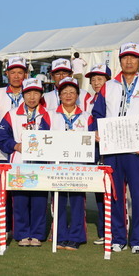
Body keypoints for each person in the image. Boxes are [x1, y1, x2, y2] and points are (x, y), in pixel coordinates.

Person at [92, 42, 139, 254]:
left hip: (136, 152)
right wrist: (99, 131)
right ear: (120, 60)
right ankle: (118, 238)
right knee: (115, 196)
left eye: (133, 57)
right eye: (125, 57)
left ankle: (138, 241)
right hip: (112, 150)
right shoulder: (108, 86)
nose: (129, 61)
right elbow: (97, 114)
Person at [40, 77, 96, 251]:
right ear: (59, 95)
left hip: (79, 167)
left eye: (72, 92)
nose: (68, 95)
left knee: (79, 202)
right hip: (56, 167)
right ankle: (60, 235)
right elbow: (42, 137)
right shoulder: (50, 115)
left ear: (77, 95)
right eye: (64, 92)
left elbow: (93, 142)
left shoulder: (87, 117)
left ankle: (76, 237)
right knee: (58, 201)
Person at [0, 78, 48, 247]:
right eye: (28, 93)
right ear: (23, 94)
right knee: (20, 201)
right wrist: (15, 145)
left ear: (41, 95)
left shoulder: (48, 114)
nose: (32, 97)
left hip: (41, 164)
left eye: (36, 93)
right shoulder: (11, 114)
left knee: (39, 201)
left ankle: (37, 234)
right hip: (18, 164)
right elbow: (2, 138)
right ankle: (22, 234)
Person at [84, 63, 112, 246]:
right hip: (92, 152)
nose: (96, 83)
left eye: (100, 79)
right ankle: (103, 232)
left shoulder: (114, 99)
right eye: (93, 80)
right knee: (98, 193)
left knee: (111, 192)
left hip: (111, 151)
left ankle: (113, 231)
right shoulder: (87, 100)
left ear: (108, 81)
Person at [0, 56, 28, 162]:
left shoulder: (31, 95)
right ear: (7, 73)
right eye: (13, 72)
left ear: (25, 74)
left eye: (20, 73)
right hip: (1, 152)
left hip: (25, 150)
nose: (16, 76)